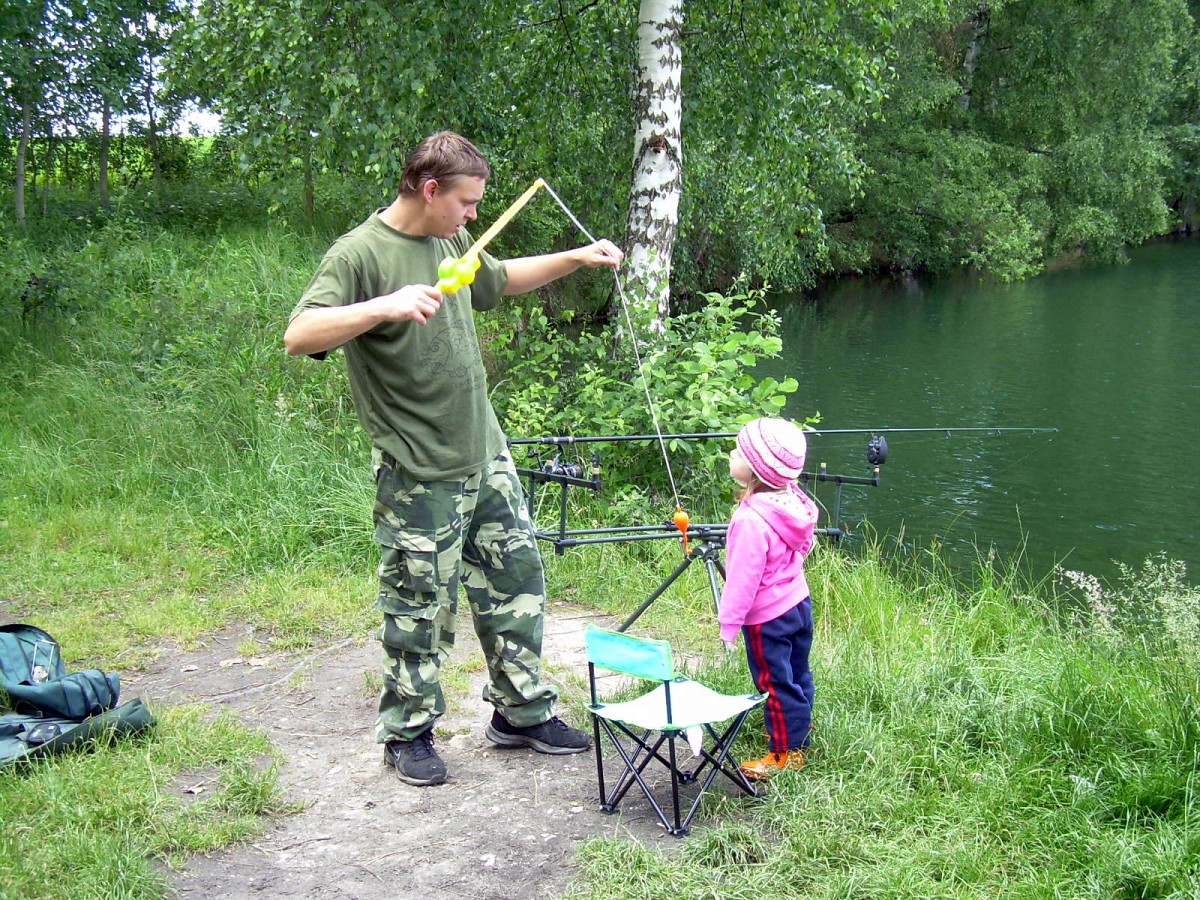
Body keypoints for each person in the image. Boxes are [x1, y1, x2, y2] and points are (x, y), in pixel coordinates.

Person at [284, 131, 623, 786]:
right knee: (419, 604)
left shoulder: (450, 239)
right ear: (430, 189)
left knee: (516, 582)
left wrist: (576, 257)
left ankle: (520, 713)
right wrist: (384, 305)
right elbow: (300, 334)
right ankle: (407, 732)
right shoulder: (359, 253)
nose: (472, 216)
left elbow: (499, 279)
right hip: (419, 468)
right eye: (466, 203)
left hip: (484, 450)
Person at [718, 417, 819, 780]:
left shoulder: (750, 520)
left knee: (774, 682)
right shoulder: (795, 502)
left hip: (767, 618)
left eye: (738, 452)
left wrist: (728, 625)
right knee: (797, 671)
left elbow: (742, 582)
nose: (732, 455)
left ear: (756, 470)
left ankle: (784, 753)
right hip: (798, 602)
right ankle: (799, 729)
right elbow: (802, 546)